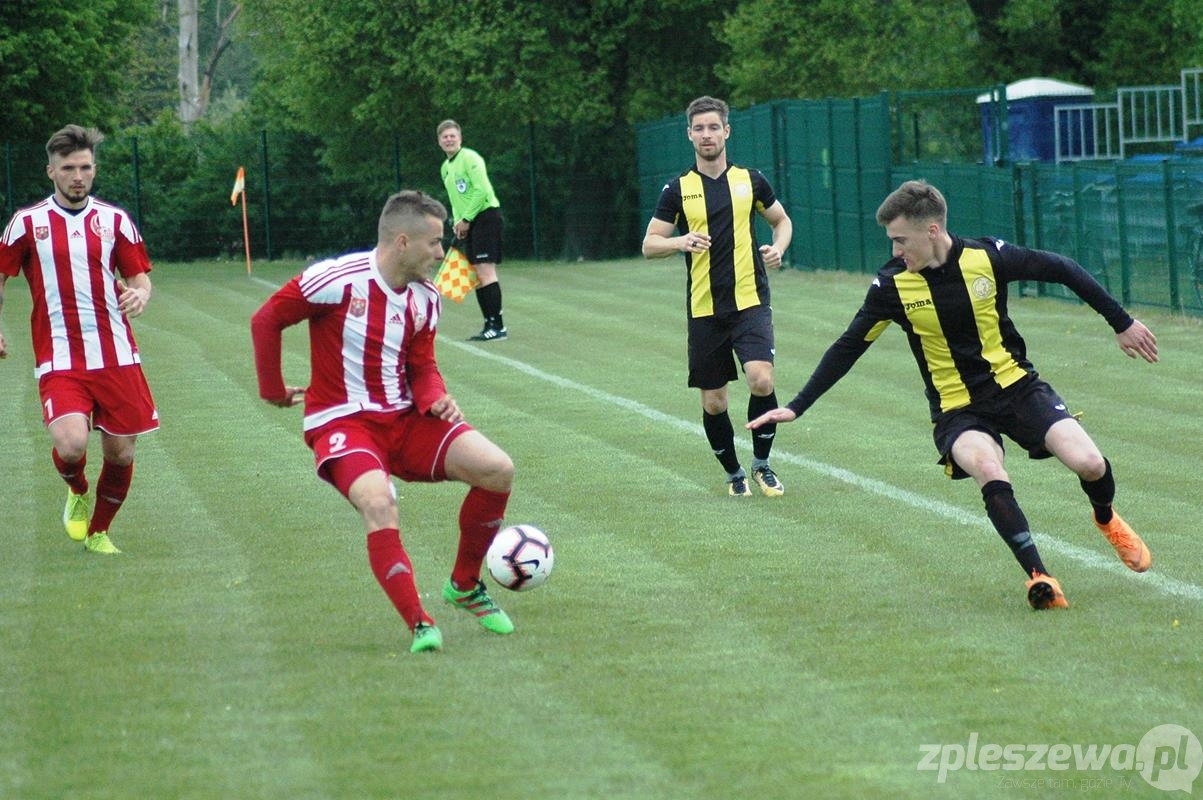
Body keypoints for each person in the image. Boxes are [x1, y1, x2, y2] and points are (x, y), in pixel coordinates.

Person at [749, 179, 1158, 609]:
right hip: (957, 409)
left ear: (932, 231)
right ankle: (1040, 577)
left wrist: (1121, 322)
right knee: (988, 466)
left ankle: (1106, 517)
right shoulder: (891, 286)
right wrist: (796, 406)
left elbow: (1063, 268)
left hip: (1017, 387)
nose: (894, 252)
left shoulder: (986, 257)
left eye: (900, 240)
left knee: (1090, 464)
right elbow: (849, 346)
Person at [251, 190, 518, 654]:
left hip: (404, 420)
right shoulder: (335, 279)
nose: (442, 253)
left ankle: (464, 585)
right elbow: (266, 319)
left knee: (498, 469)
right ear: (402, 242)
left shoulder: (427, 297)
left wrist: (436, 397)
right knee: (378, 503)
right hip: (343, 422)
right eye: (435, 243)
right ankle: (419, 623)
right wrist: (272, 388)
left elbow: (422, 365)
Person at [0, 124, 159, 555]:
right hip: (60, 356)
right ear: (50, 171)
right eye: (68, 167)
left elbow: (139, 278)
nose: (78, 176)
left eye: (85, 167)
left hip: (116, 354)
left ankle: (98, 533)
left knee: (122, 453)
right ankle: (76, 489)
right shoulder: (26, 224)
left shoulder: (115, 221)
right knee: (71, 446)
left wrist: (140, 296)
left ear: (95, 169)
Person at [642, 95, 794, 498]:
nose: (707, 135)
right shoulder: (678, 189)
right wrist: (681, 242)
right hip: (705, 308)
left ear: (727, 131)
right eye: (699, 128)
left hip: (751, 302)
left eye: (714, 127)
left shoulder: (751, 180)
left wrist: (779, 247)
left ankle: (762, 464)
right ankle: (734, 473)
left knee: (761, 379)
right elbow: (649, 244)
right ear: (689, 135)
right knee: (714, 402)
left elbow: (781, 221)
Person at [437, 119, 507, 341]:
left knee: (486, 271)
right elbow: (456, 199)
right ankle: (489, 324)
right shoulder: (445, 168)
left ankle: (498, 326)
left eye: (452, 135)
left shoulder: (470, 158)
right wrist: (459, 222)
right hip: (469, 222)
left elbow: (481, 190)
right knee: (476, 274)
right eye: (444, 136)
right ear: (439, 141)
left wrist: (466, 218)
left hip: (486, 216)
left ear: (460, 138)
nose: (449, 139)